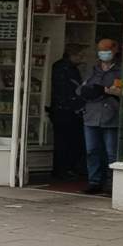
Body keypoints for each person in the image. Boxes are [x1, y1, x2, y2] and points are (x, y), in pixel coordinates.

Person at [80, 38, 123, 195]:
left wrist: (109, 91)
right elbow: (81, 88)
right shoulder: (93, 70)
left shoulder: (121, 70)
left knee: (111, 152)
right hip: (91, 114)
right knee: (92, 150)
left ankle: (112, 184)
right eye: (100, 50)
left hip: (111, 115)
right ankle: (94, 182)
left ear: (115, 50)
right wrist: (86, 90)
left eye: (106, 50)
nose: (103, 53)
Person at [49, 46, 86, 180]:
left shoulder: (63, 67)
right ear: (72, 55)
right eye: (80, 55)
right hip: (66, 110)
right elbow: (69, 90)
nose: (82, 59)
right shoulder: (65, 69)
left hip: (63, 109)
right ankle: (64, 170)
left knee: (65, 142)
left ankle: (64, 169)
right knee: (66, 142)